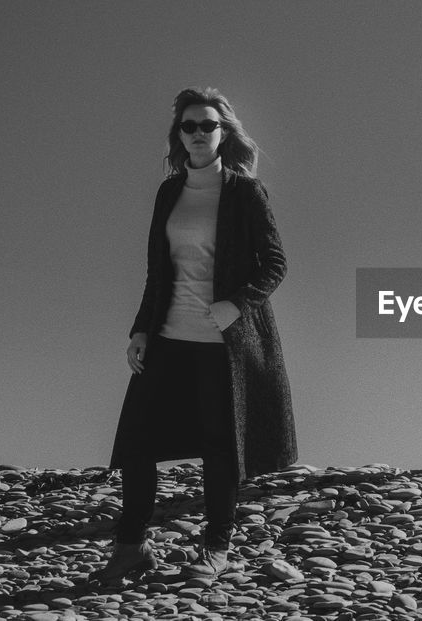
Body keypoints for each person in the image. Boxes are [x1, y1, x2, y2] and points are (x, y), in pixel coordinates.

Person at [93, 88, 297, 582]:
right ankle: (129, 546)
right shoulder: (169, 192)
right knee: (138, 442)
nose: (199, 134)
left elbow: (275, 264)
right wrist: (141, 328)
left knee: (220, 446)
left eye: (208, 125)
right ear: (178, 135)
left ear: (224, 133)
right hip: (166, 336)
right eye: (189, 126)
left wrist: (235, 304)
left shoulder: (246, 192)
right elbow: (155, 271)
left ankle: (216, 548)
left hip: (223, 343)